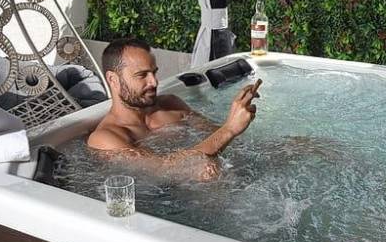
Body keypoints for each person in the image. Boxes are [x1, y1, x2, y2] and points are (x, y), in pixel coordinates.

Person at [86, 38, 261, 180]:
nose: (154, 82)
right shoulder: (104, 138)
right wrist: (230, 129)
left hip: (220, 182)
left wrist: (238, 114)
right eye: (142, 75)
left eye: (154, 72)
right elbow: (163, 169)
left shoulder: (171, 104)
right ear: (113, 79)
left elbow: (219, 136)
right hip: (164, 197)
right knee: (206, 169)